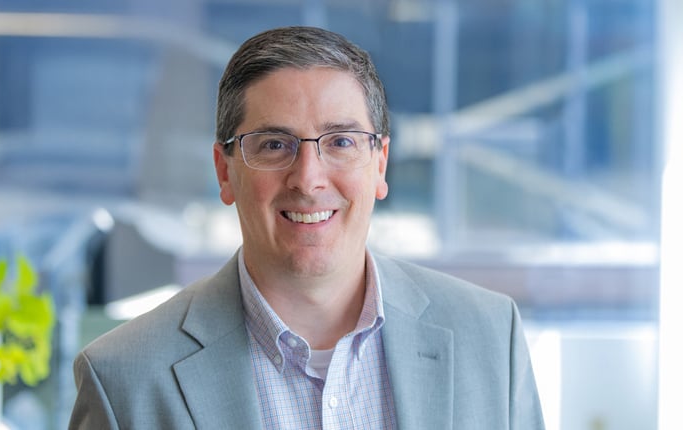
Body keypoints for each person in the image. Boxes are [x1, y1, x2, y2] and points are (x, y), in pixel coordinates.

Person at [69, 26, 545, 430]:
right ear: (224, 171)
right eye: (275, 145)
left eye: (340, 141)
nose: (309, 179)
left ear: (380, 163)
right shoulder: (122, 381)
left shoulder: (489, 337)